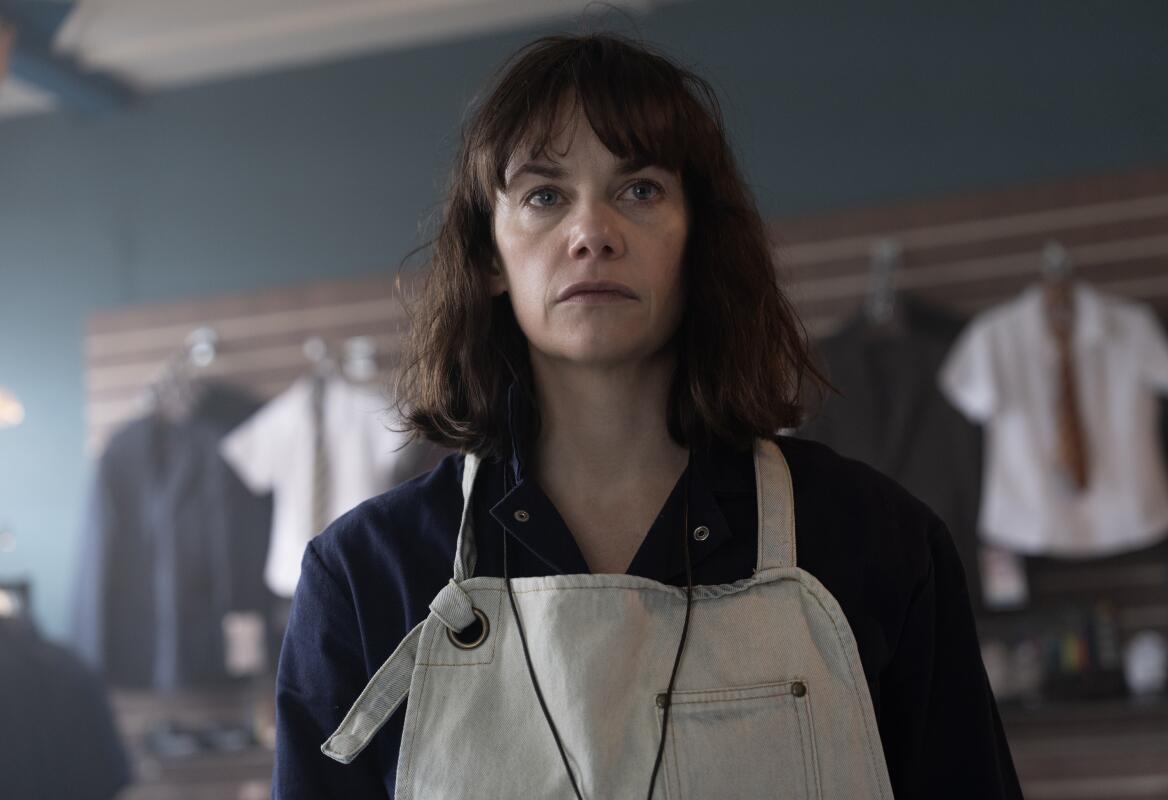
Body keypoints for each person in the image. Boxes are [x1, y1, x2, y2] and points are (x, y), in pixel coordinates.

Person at [272, 30, 1023, 799]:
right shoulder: (367, 578)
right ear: (490, 256)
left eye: (640, 190)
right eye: (544, 195)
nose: (592, 233)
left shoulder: (879, 545)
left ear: (697, 238)